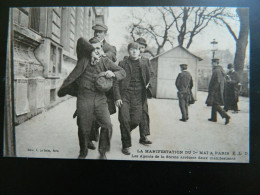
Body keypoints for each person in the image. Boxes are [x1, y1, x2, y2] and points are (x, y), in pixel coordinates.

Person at [58, 37, 126, 159]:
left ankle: (103, 152)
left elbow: (122, 72)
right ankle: (83, 151)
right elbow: (80, 42)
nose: (97, 51)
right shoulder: (83, 60)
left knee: (107, 125)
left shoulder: (106, 61)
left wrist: (113, 74)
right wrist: (91, 49)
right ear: (88, 50)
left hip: (100, 98)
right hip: (84, 97)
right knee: (84, 127)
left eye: (99, 48)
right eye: (94, 49)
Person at [114, 42, 151, 155]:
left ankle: (125, 131)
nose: (134, 51)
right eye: (131, 49)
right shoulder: (122, 63)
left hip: (138, 96)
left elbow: (148, 77)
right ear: (128, 51)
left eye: (136, 49)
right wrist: (117, 97)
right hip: (125, 95)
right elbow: (116, 81)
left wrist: (146, 85)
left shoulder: (144, 64)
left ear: (140, 51)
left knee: (136, 120)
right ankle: (126, 145)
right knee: (124, 119)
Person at [87, 23, 118, 150]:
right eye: (96, 32)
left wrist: (103, 54)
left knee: (104, 115)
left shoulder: (110, 47)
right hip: (90, 85)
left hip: (105, 87)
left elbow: (113, 56)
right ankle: (91, 138)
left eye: (100, 32)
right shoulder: (88, 44)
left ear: (105, 34)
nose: (97, 34)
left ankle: (96, 136)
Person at [136, 38, 152, 145]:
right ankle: (126, 133)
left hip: (142, 92)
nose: (140, 50)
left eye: (142, 48)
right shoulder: (127, 59)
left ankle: (143, 136)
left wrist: (147, 83)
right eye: (138, 47)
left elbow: (151, 74)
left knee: (144, 113)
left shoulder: (146, 61)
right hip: (130, 92)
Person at [206, 59, 231, 125]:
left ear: (215, 63)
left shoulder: (217, 70)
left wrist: (213, 90)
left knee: (216, 104)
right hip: (218, 90)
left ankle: (226, 116)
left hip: (216, 90)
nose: (212, 64)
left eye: (212, 63)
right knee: (214, 104)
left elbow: (217, 81)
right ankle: (213, 118)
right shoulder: (220, 69)